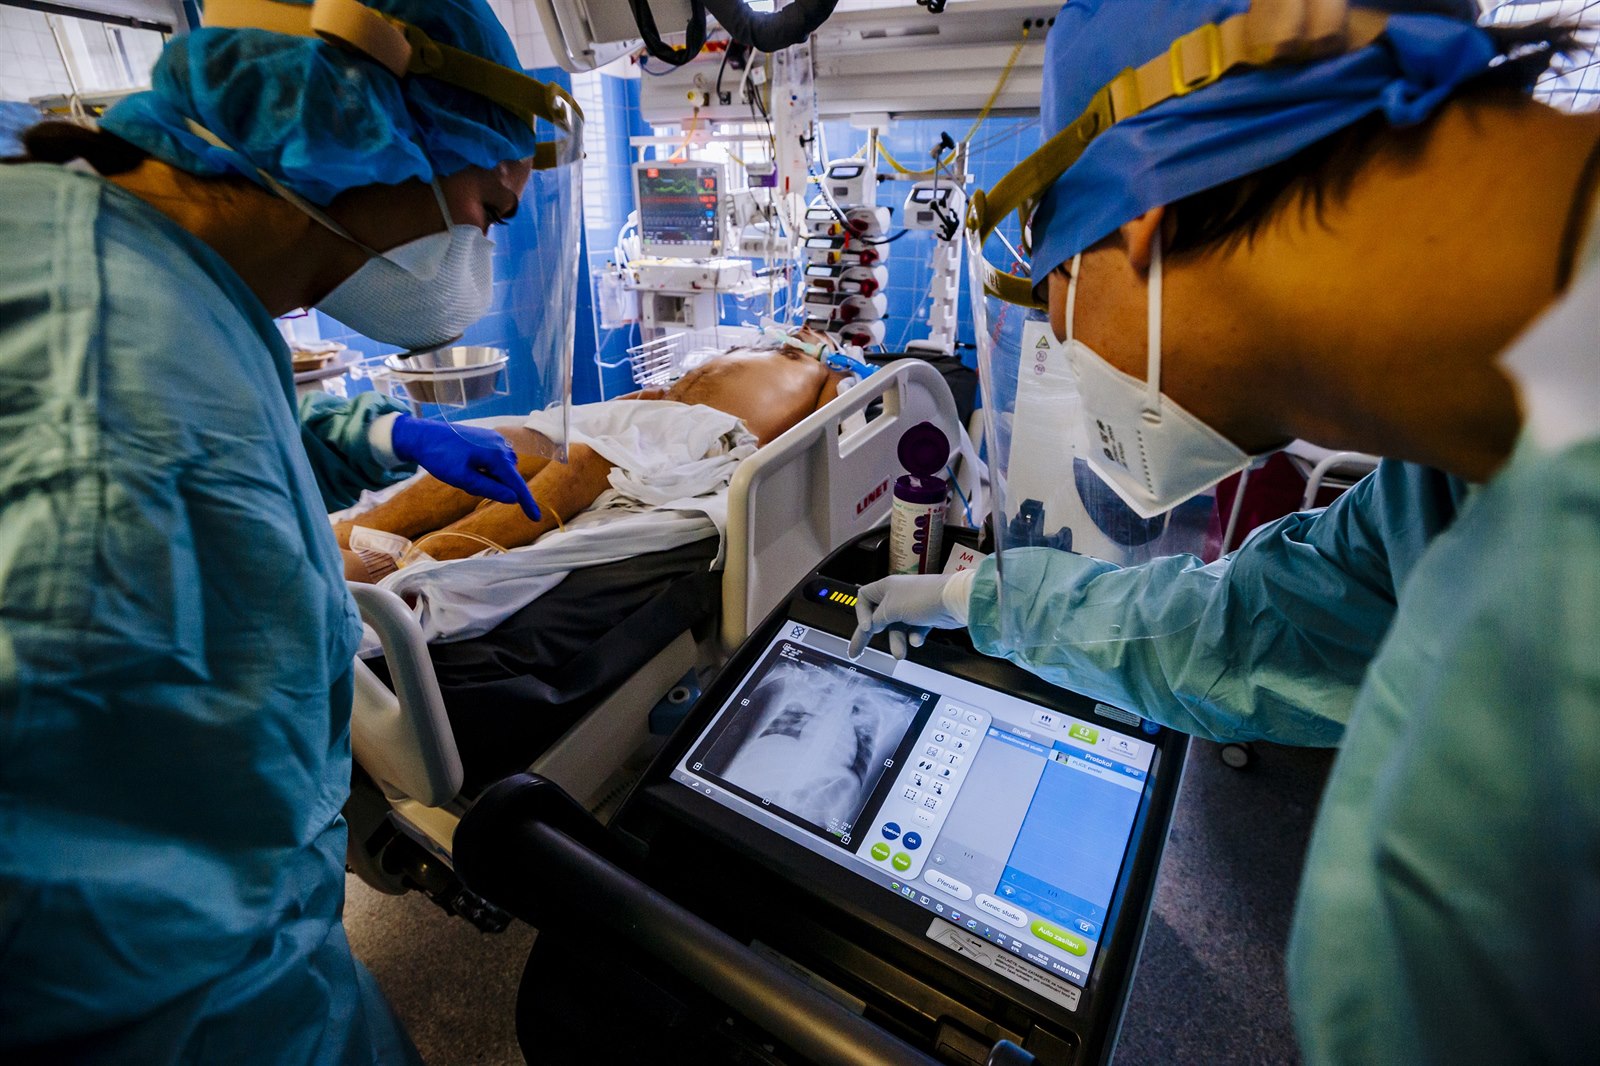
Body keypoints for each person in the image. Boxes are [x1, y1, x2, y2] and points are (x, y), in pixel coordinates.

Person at [851, 1, 1600, 1062]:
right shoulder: (1455, 479)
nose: (1064, 347)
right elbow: (1254, 626)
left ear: (1139, 219)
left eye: (1052, 297)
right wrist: (975, 596)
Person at [0, 1, 578, 1061]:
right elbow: (135, 952)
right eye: (487, 212)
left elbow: (226, 421)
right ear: (365, 129)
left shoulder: (100, 246)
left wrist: (385, 432)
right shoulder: (121, 427)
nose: (477, 251)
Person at [336, 330, 852, 576]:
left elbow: (831, 425)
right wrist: (597, 413)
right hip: (649, 413)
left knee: (582, 461)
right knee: (498, 445)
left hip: (706, 434)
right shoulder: (752, 347)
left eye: (818, 332)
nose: (807, 330)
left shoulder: (829, 371)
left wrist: (828, 358)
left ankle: (412, 562)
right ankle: (347, 537)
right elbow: (666, 391)